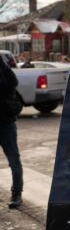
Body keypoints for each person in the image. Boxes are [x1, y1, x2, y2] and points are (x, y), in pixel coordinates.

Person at [0, 55, 23, 208]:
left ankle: (16, 193)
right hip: (6, 123)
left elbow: (13, 83)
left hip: (5, 123)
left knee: (14, 160)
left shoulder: (5, 73)